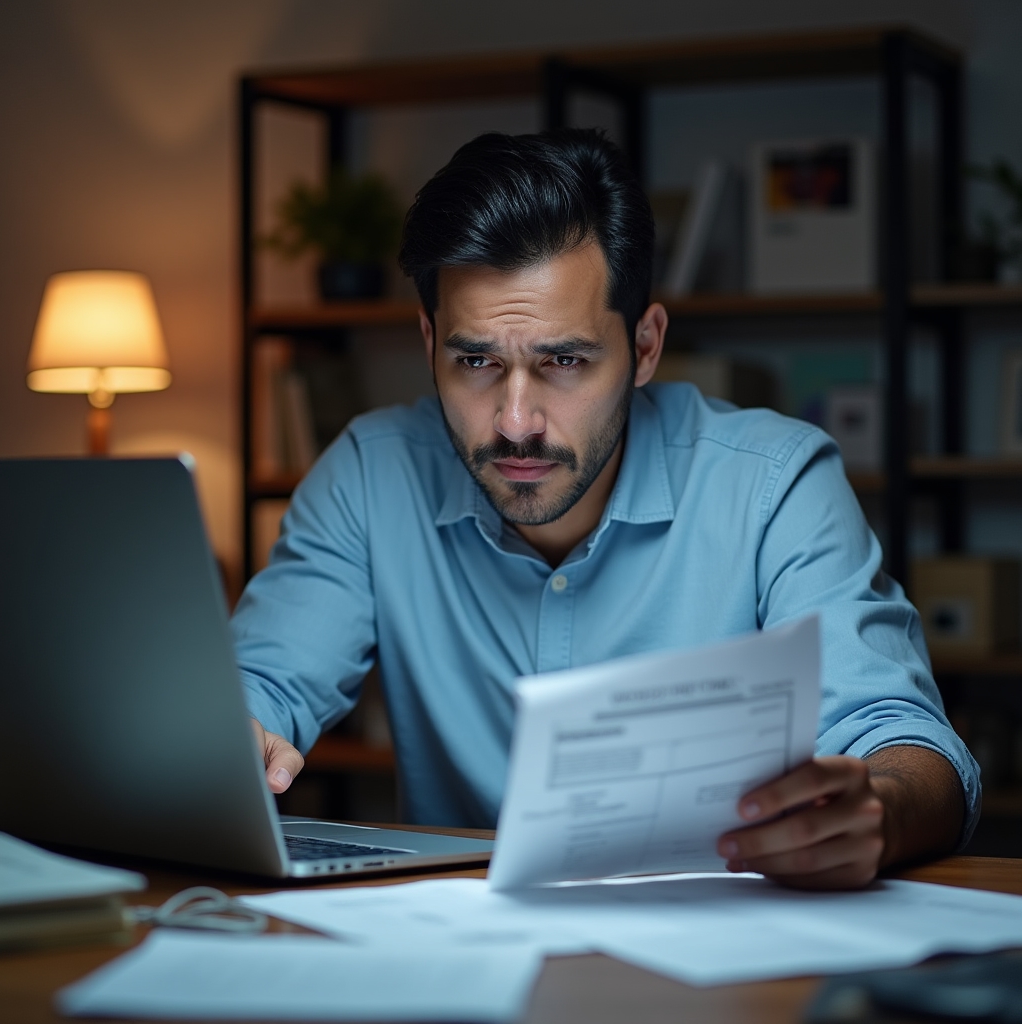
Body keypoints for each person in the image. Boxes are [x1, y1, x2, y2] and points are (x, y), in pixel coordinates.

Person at [233, 128, 979, 890]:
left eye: (564, 361)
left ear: (646, 345)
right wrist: (236, 740)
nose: (516, 420)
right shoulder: (369, 474)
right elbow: (261, 682)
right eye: (476, 362)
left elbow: (904, 738)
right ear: (428, 343)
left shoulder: (774, 484)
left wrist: (879, 810)